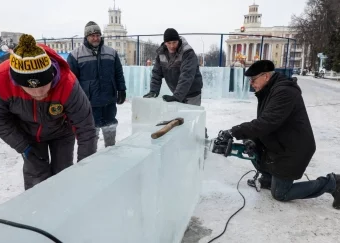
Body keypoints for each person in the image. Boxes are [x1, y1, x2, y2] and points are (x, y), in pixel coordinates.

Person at [218, 60, 340, 209]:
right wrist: (251, 140)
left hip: (293, 150)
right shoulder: (268, 90)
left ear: (266, 76)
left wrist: (234, 131)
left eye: (253, 79)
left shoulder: (284, 92)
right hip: (279, 144)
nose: (251, 83)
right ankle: (269, 179)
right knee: (250, 145)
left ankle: (333, 183)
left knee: (281, 193)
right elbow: (264, 125)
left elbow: (267, 122)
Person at [0, 34, 97, 190]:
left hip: (62, 132)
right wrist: (22, 145)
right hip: (28, 135)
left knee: (63, 174)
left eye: (44, 86)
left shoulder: (67, 83)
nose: (38, 94)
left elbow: (86, 128)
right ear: (16, 81)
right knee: (36, 177)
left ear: (52, 75)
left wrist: (85, 168)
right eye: (30, 89)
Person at [67, 21, 126, 147]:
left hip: (109, 99)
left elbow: (118, 73)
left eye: (98, 35)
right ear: (86, 37)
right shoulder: (75, 55)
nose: (95, 38)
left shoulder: (111, 52)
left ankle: (111, 151)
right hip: (88, 102)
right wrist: (73, 101)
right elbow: (71, 81)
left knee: (110, 126)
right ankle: (91, 156)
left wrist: (121, 89)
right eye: (92, 35)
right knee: (91, 130)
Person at [143, 28, 203, 106]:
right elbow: (156, 74)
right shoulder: (161, 54)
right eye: (169, 43)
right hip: (177, 93)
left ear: (178, 41)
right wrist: (154, 91)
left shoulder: (187, 53)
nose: (172, 46)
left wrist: (177, 96)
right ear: (165, 43)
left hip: (192, 94)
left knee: (190, 117)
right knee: (179, 117)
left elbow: (187, 75)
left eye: (174, 42)